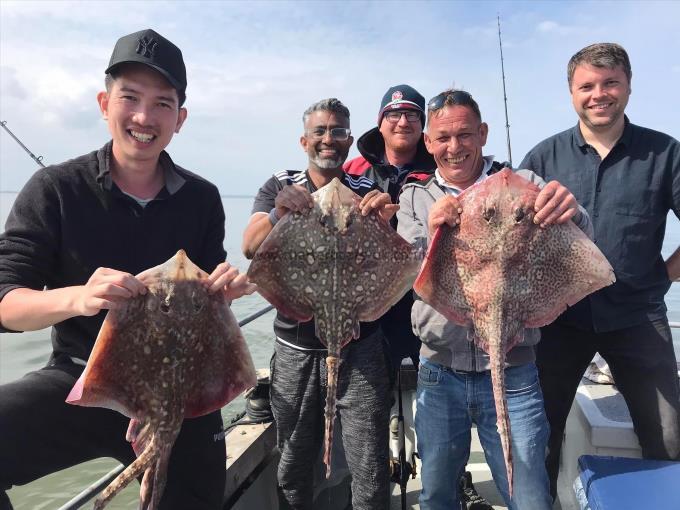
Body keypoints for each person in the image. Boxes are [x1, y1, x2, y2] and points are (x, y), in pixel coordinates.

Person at [0, 29, 254, 510]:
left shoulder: (202, 199)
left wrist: (224, 291)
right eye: (130, 97)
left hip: (178, 390)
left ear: (179, 119)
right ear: (104, 103)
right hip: (83, 381)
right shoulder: (55, 189)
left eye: (162, 103)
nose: (143, 116)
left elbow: (205, 304)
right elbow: (6, 303)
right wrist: (77, 298)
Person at [397, 88, 592, 510]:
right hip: (439, 367)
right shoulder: (414, 196)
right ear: (428, 143)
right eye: (443, 138)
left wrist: (573, 211)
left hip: (514, 366)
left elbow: (579, 240)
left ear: (483, 133)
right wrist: (430, 232)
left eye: (465, 135)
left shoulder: (524, 185)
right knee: (436, 493)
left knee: (528, 495)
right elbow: (406, 270)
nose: (454, 147)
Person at [520, 42, 680, 501]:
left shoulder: (665, 153)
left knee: (668, 436)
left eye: (610, 83)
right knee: (540, 435)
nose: (599, 94)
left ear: (628, 86)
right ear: (571, 93)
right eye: (586, 85)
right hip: (558, 321)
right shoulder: (542, 157)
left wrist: (665, 276)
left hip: (637, 316)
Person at [242, 98, 397, 510]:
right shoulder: (282, 183)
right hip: (296, 347)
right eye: (320, 132)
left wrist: (387, 218)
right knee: (294, 455)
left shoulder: (367, 187)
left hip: (360, 345)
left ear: (349, 140)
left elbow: (399, 257)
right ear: (304, 139)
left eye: (339, 132)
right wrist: (278, 213)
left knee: (369, 460)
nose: (330, 139)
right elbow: (249, 246)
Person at [345, 84, 491, 510]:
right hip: (375, 311)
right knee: (373, 405)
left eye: (411, 114)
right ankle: (380, 475)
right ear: (380, 123)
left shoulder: (443, 168)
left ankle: (456, 478)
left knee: (441, 407)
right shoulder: (355, 170)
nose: (403, 121)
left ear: (423, 128)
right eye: (394, 114)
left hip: (431, 307)